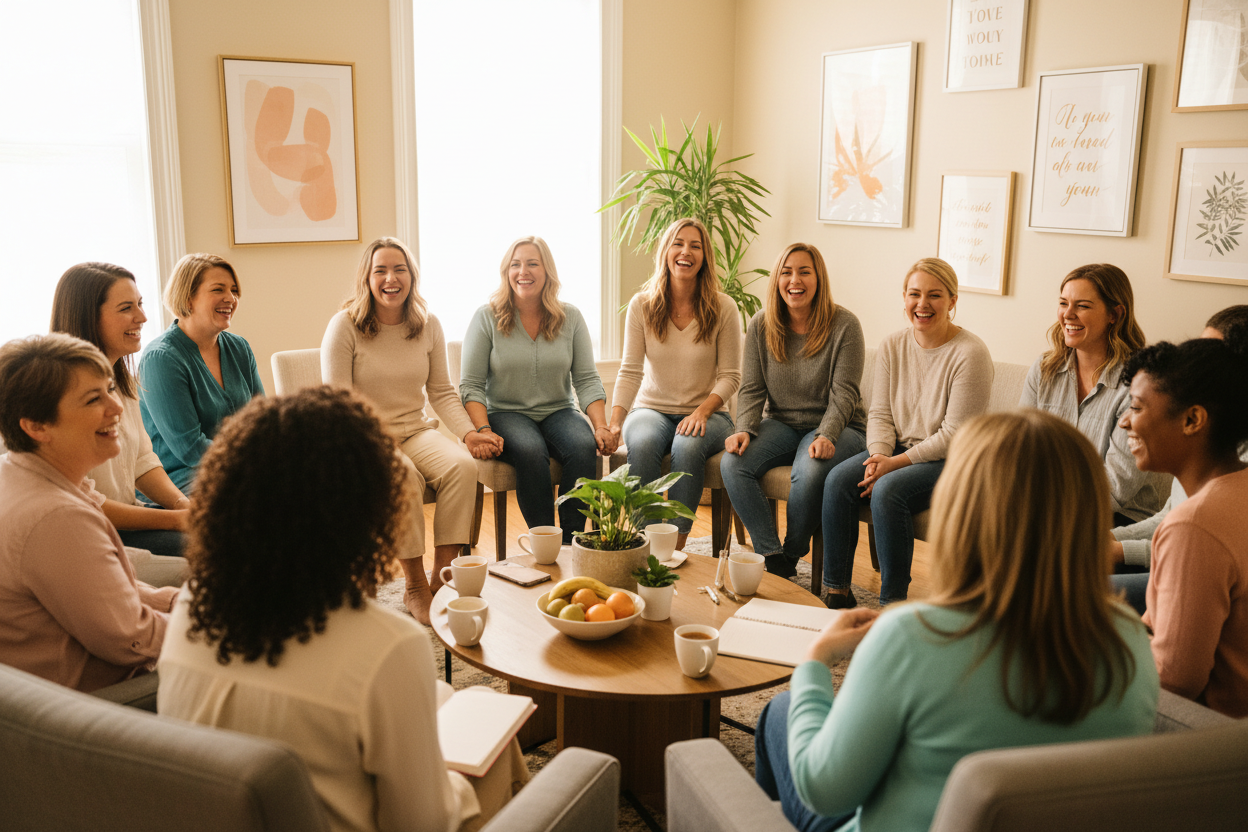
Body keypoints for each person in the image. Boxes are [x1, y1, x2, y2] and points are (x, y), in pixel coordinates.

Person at [755, 410, 1158, 832]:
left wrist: (816, 661)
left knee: (783, 709)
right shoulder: (1132, 643)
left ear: (963, 509)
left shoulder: (911, 638)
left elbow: (824, 790)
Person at [157, 387, 528, 832]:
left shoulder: (191, 608)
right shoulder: (387, 648)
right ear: (365, 508)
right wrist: (458, 782)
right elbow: (423, 824)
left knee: (448, 700)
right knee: (494, 736)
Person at [322, 237, 501, 625]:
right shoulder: (346, 325)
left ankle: (442, 575)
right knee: (403, 477)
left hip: (415, 430)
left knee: (462, 467)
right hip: (367, 436)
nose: (391, 278)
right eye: (380, 270)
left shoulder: (427, 324)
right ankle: (415, 584)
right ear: (367, 279)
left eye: (399, 269)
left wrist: (469, 434)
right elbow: (337, 402)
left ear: (411, 276)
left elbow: (440, 391)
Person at [0, 334, 176, 691]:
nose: (116, 408)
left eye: (110, 389)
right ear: (36, 426)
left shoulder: (20, 470)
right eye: (94, 399)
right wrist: (221, 627)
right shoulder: (56, 518)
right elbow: (132, 639)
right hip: (102, 702)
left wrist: (175, 600)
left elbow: (99, 592)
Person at [821, 258, 993, 607]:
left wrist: (892, 464)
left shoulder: (970, 353)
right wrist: (878, 454)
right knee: (838, 480)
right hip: (896, 449)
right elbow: (880, 413)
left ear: (952, 301)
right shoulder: (891, 346)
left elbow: (954, 435)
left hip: (953, 459)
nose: (923, 304)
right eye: (914, 294)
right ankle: (836, 590)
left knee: (887, 491)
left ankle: (892, 604)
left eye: (935, 295)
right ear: (904, 298)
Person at [1118, 321, 1248, 717]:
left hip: (1206, 739)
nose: (1124, 421)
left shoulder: (1194, 525)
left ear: (1193, 420)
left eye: (1137, 407)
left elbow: (1174, 679)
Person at [720, 243, 867, 580]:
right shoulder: (761, 325)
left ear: (819, 279)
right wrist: (743, 428)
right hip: (783, 423)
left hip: (841, 426)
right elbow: (753, 389)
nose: (794, 280)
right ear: (776, 279)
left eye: (804, 272)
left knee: (811, 470)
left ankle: (792, 551)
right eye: (786, 272)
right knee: (733, 462)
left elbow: (844, 394)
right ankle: (770, 554)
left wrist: (827, 434)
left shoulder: (845, 325)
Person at [459, 236, 615, 544]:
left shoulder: (570, 317)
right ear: (506, 271)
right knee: (531, 451)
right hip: (506, 411)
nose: (523, 271)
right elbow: (471, 385)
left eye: (532, 263)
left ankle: (572, 543)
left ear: (547, 272)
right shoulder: (486, 317)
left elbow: (586, 379)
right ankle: (545, 541)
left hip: (558, 409)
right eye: (515, 264)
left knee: (583, 446)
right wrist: (483, 429)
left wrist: (600, 426)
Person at [49, 262, 189, 586]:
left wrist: (183, 505)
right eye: (127, 308)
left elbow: (143, 460)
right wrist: (174, 520)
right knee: (220, 552)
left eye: (140, 304)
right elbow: (84, 499)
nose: (141, 317)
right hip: (95, 531)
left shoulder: (121, 382)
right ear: (88, 317)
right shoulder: (62, 395)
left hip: (130, 515)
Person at [608, 218, 742, 550]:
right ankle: (647, 542)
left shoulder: (724, 307)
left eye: (695, 245)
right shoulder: (642, 305)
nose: (686, 251)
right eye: (678, 243)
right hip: (650, 409)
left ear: (705, 257)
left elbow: (730, 377)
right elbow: (630, 371)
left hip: (710, 415)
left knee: (687, 444)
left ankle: (676, 545)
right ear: (666, 252)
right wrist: (615, 422)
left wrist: (701, 412)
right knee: (642, 442)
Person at [1111, 304, 1248, 614]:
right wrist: (1105, 541)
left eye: (1211, 353)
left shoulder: (1208, 507)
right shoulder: (1203, 447)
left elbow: (1177, 663)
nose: (1196, 362)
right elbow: (1169, 519)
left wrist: (1118, 551)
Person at [1020, 263, 1168, 526]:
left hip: (1117, 517)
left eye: (1083, 306)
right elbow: (1019, 448)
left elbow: (1115, 487)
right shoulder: (1044, 370)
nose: (1068, 314)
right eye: (1064, 303)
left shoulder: (1139, 383)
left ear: (1115, 314)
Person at [138, 253, 264, 492]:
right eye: (218, 289)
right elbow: (190, 449)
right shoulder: (162, 358)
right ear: (188, 299)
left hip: (244, 468)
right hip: (183, 480)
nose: (231, 298)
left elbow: (263, 420)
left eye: (234, 290)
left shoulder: (239, 348)